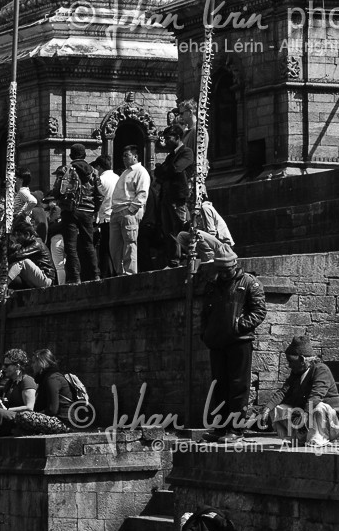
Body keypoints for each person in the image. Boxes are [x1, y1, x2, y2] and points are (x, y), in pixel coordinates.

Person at [201, 250, 267, 440]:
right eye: (220, 269)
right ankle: (221, 427)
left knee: (238, 386)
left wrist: (238, 326)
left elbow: (259, 311)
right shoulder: (213, 284)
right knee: (219, 385)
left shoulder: (249, 283)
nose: (223, 273)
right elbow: (205, 313)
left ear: (235, 265)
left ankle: (236, 429)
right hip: (217, 340)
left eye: (227, 269)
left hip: (239, 341)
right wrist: (205, 333)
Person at [264, 335, 339, 446]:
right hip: (306, 420)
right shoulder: (296, 373)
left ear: (302, 359)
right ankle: (297, 438)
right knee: (277, 409)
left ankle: (318, 438)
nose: (289, 365)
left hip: (331, 422)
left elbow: (316, 395)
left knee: (318, 407)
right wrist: (268, 408)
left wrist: (305, 415)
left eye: (291, 361)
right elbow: (283, 392)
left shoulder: (321, 369)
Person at [146, 125, 193, 270]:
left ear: (177, 138)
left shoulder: (186, 152)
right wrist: (162, 170)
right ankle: (173, 260)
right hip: (166, 196)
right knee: (168, 231)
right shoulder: (171, 156)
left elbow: (175, 169)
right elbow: (160, 173)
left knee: (180, 227)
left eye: (168, 138)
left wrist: (162, 169)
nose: (166, 141)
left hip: (178, 197)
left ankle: (184, 258)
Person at [57, 144, 103, 283]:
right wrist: (95, 209)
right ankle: (95, 275)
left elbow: (57, 191)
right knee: (89, 243)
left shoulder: (66, 169)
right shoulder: (94, 171)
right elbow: (100, 195)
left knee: (71, 246)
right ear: (84, 155)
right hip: (88, 211)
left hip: (70, 210)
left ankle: (76, 277)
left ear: (71, 155)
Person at [112, 145, 150, 275]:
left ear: (135, 156)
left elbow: (142, 193)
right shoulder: (125, 172)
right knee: (115, 247)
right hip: (117, 211)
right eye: (123, 156)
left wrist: (131, 209)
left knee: (130, 243)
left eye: (126, 155)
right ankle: (119, 272)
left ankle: (130, 273)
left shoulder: (140, 171)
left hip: (128, 211)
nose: (124, 158)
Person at [4, 216, 55, 290]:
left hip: (46, 280)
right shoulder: (25, 244)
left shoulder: (37, 244)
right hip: (34, 279)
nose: (17, 238)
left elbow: (18, 255)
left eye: (18, 235)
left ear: (27, 235)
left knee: (23, 261)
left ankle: (3, 286)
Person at [95, 154, 118, 276]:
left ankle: (105, 274)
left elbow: (98, 198)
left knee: (105, 248)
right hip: (116, 214)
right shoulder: (118, 177)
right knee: (115, 246)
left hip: (105, 217)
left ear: (99, 167)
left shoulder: (101, 180)